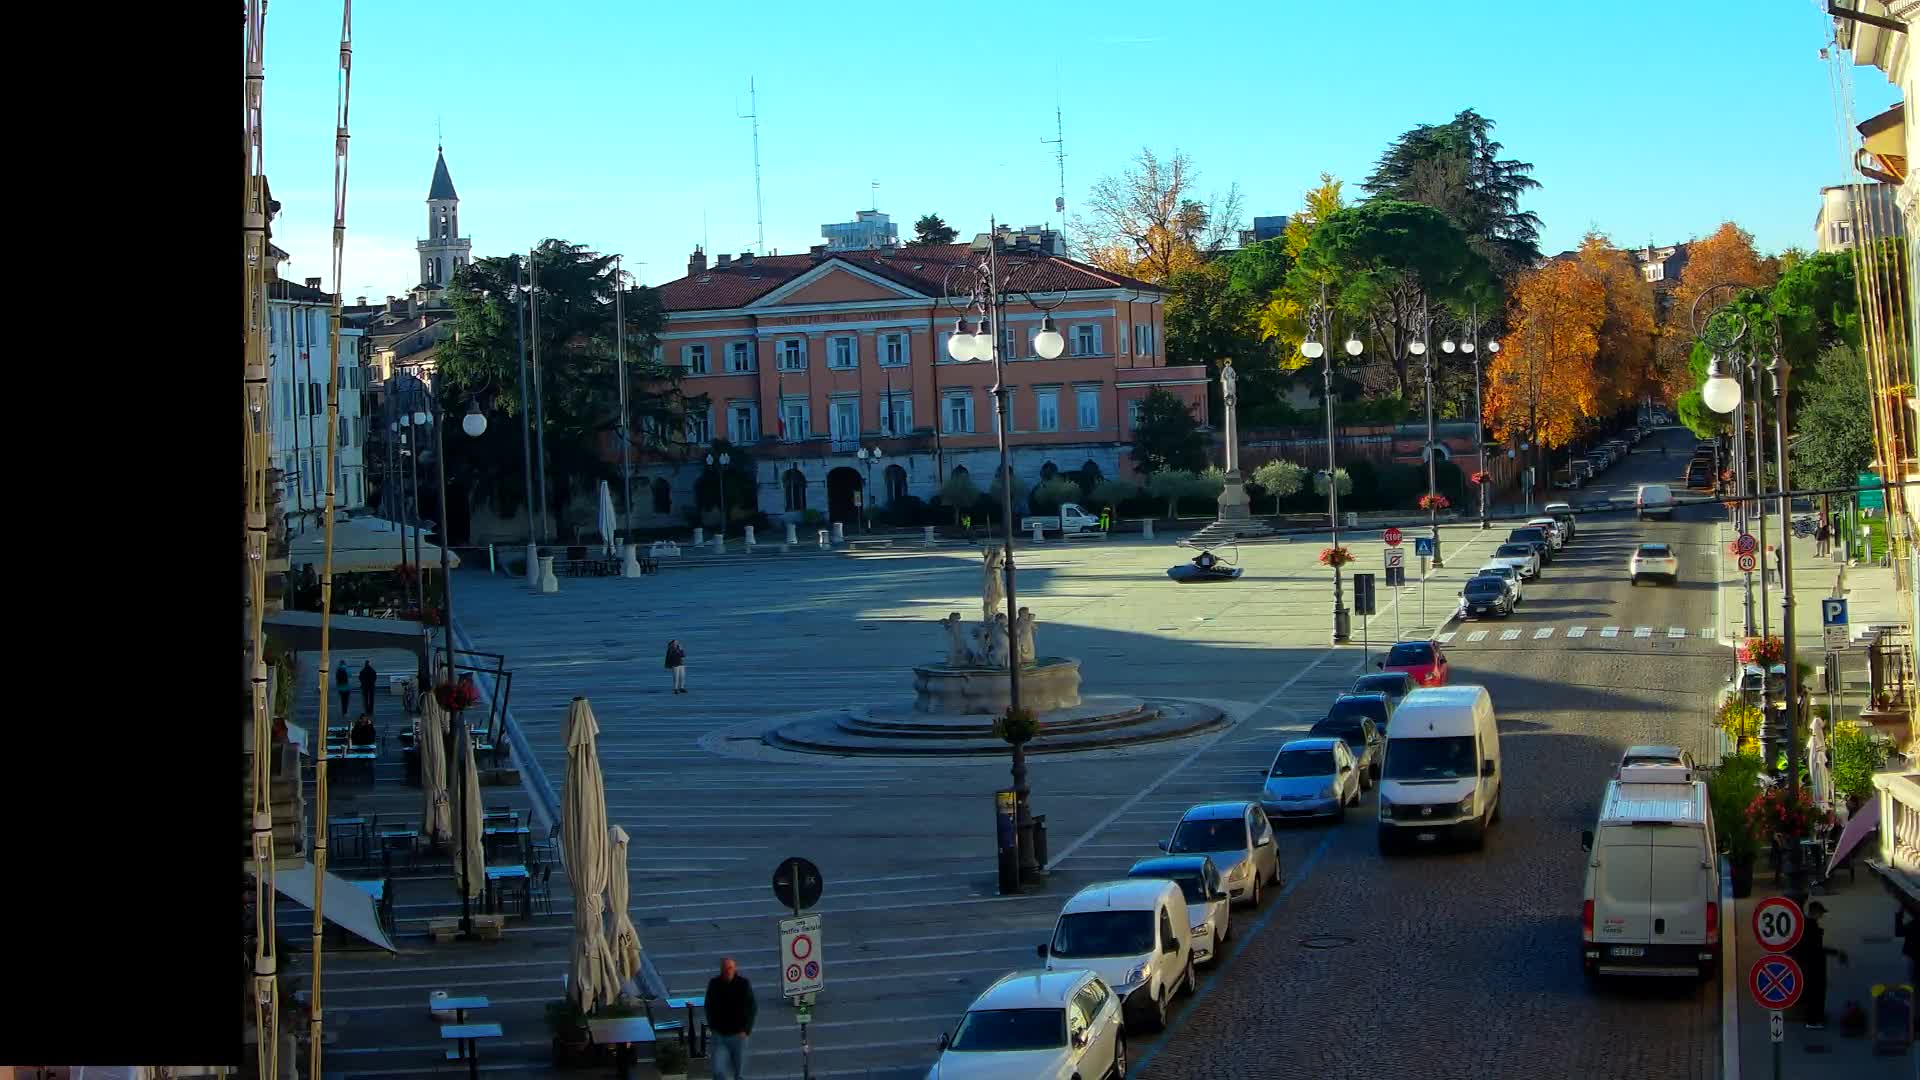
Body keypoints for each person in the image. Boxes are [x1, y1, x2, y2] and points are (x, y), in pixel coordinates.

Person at [1793, 901, 1848, 1028]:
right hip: (1814, 964)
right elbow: (1815, 948)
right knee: (1816, 992)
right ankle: (1813, 1020)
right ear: (1815, 912)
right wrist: (1836, 952)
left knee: (1815, 992)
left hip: (1812, 963)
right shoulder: (1811, 927)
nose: (1822, 915)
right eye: (1821, 913)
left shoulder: (1807, 925)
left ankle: (1815, 1017)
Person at [705, 956, 756, 1080]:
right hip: (720, 1036)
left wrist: (746, 1029)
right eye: (725, 968)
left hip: (739, 1036)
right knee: (718, 1071)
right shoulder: (714, 984)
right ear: (721, 969)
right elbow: (709, 1006)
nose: (728, 971)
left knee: (739, 1074)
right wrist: (713, 1026)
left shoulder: (743, 984)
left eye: (730, 968)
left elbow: (752, 1008)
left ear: (734, 969)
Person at [1897, 905, 1920, 988]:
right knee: (1912, 982)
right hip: (1910, 955)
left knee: (1911, 982)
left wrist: (1900, 913)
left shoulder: (1914, 923)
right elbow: (1899, 932)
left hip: (1910, 955)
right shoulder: (1914, 923)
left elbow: (1899, 932)